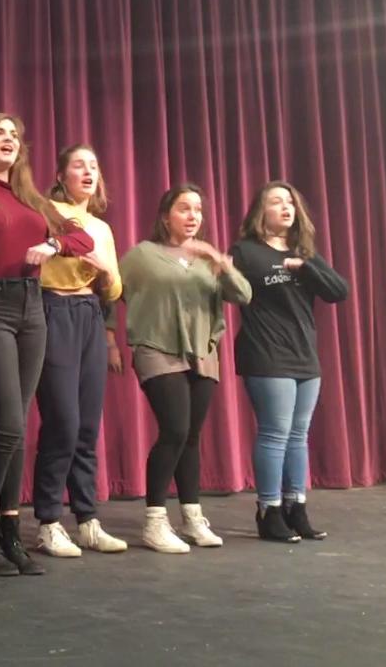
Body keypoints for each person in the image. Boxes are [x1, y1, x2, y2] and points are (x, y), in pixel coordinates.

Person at [0, 113, 94, 576]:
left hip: (32, 306)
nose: (8, 140)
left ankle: (9, 528)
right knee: (8, 423)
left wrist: (53, 247)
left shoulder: (31, 198)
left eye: (14, 135)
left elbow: (81, 236)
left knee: (20, 426)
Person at [108, 183, 251, 554]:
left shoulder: (208, 260)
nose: (193, 216)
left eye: (198, 210)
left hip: (202, 352)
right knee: (174, 429)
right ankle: (155, 520)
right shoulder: (143, 255)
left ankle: (192, 516)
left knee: (191, 435)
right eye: (184, 209)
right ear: (165, 216)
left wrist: (219, 261)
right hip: (157, 349)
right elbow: (110, 290)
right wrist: (110, 338)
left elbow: (243, 295)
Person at [231, 181, 348, 542]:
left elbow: (338, 291)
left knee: (298, 435)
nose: (286, 208)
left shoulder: (305, 253)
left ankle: (296, 507)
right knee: (275, 432)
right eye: (276, 202)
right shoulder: (246, 252)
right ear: (260, 211)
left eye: (290, 202)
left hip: (304, 355)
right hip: (266, 352)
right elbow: (227, 291)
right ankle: (269, 509)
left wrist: (304, 267)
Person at [32, 144, 127, 557]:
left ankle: (87, 519)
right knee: (63, 423)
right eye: (78, 165)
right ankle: (49, 522)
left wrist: (106, 272)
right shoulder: (45, 211)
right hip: (53, 310)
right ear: (62, 174)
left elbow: (116, 288)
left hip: (90, 312)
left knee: (88, 426)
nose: (88, 172)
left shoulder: (102, 229)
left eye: (94, 165)